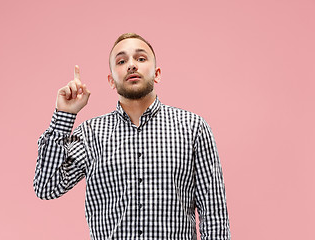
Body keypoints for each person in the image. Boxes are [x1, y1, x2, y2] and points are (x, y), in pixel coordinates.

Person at [33, 33, 231, 239]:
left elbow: (214, 214)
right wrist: (65, 115)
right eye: (121, 61)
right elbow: (47, 187)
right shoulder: (91, 134)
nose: (132, 65)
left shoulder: (193, 128)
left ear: (157, 74)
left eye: (141, 58)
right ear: (111, 81)